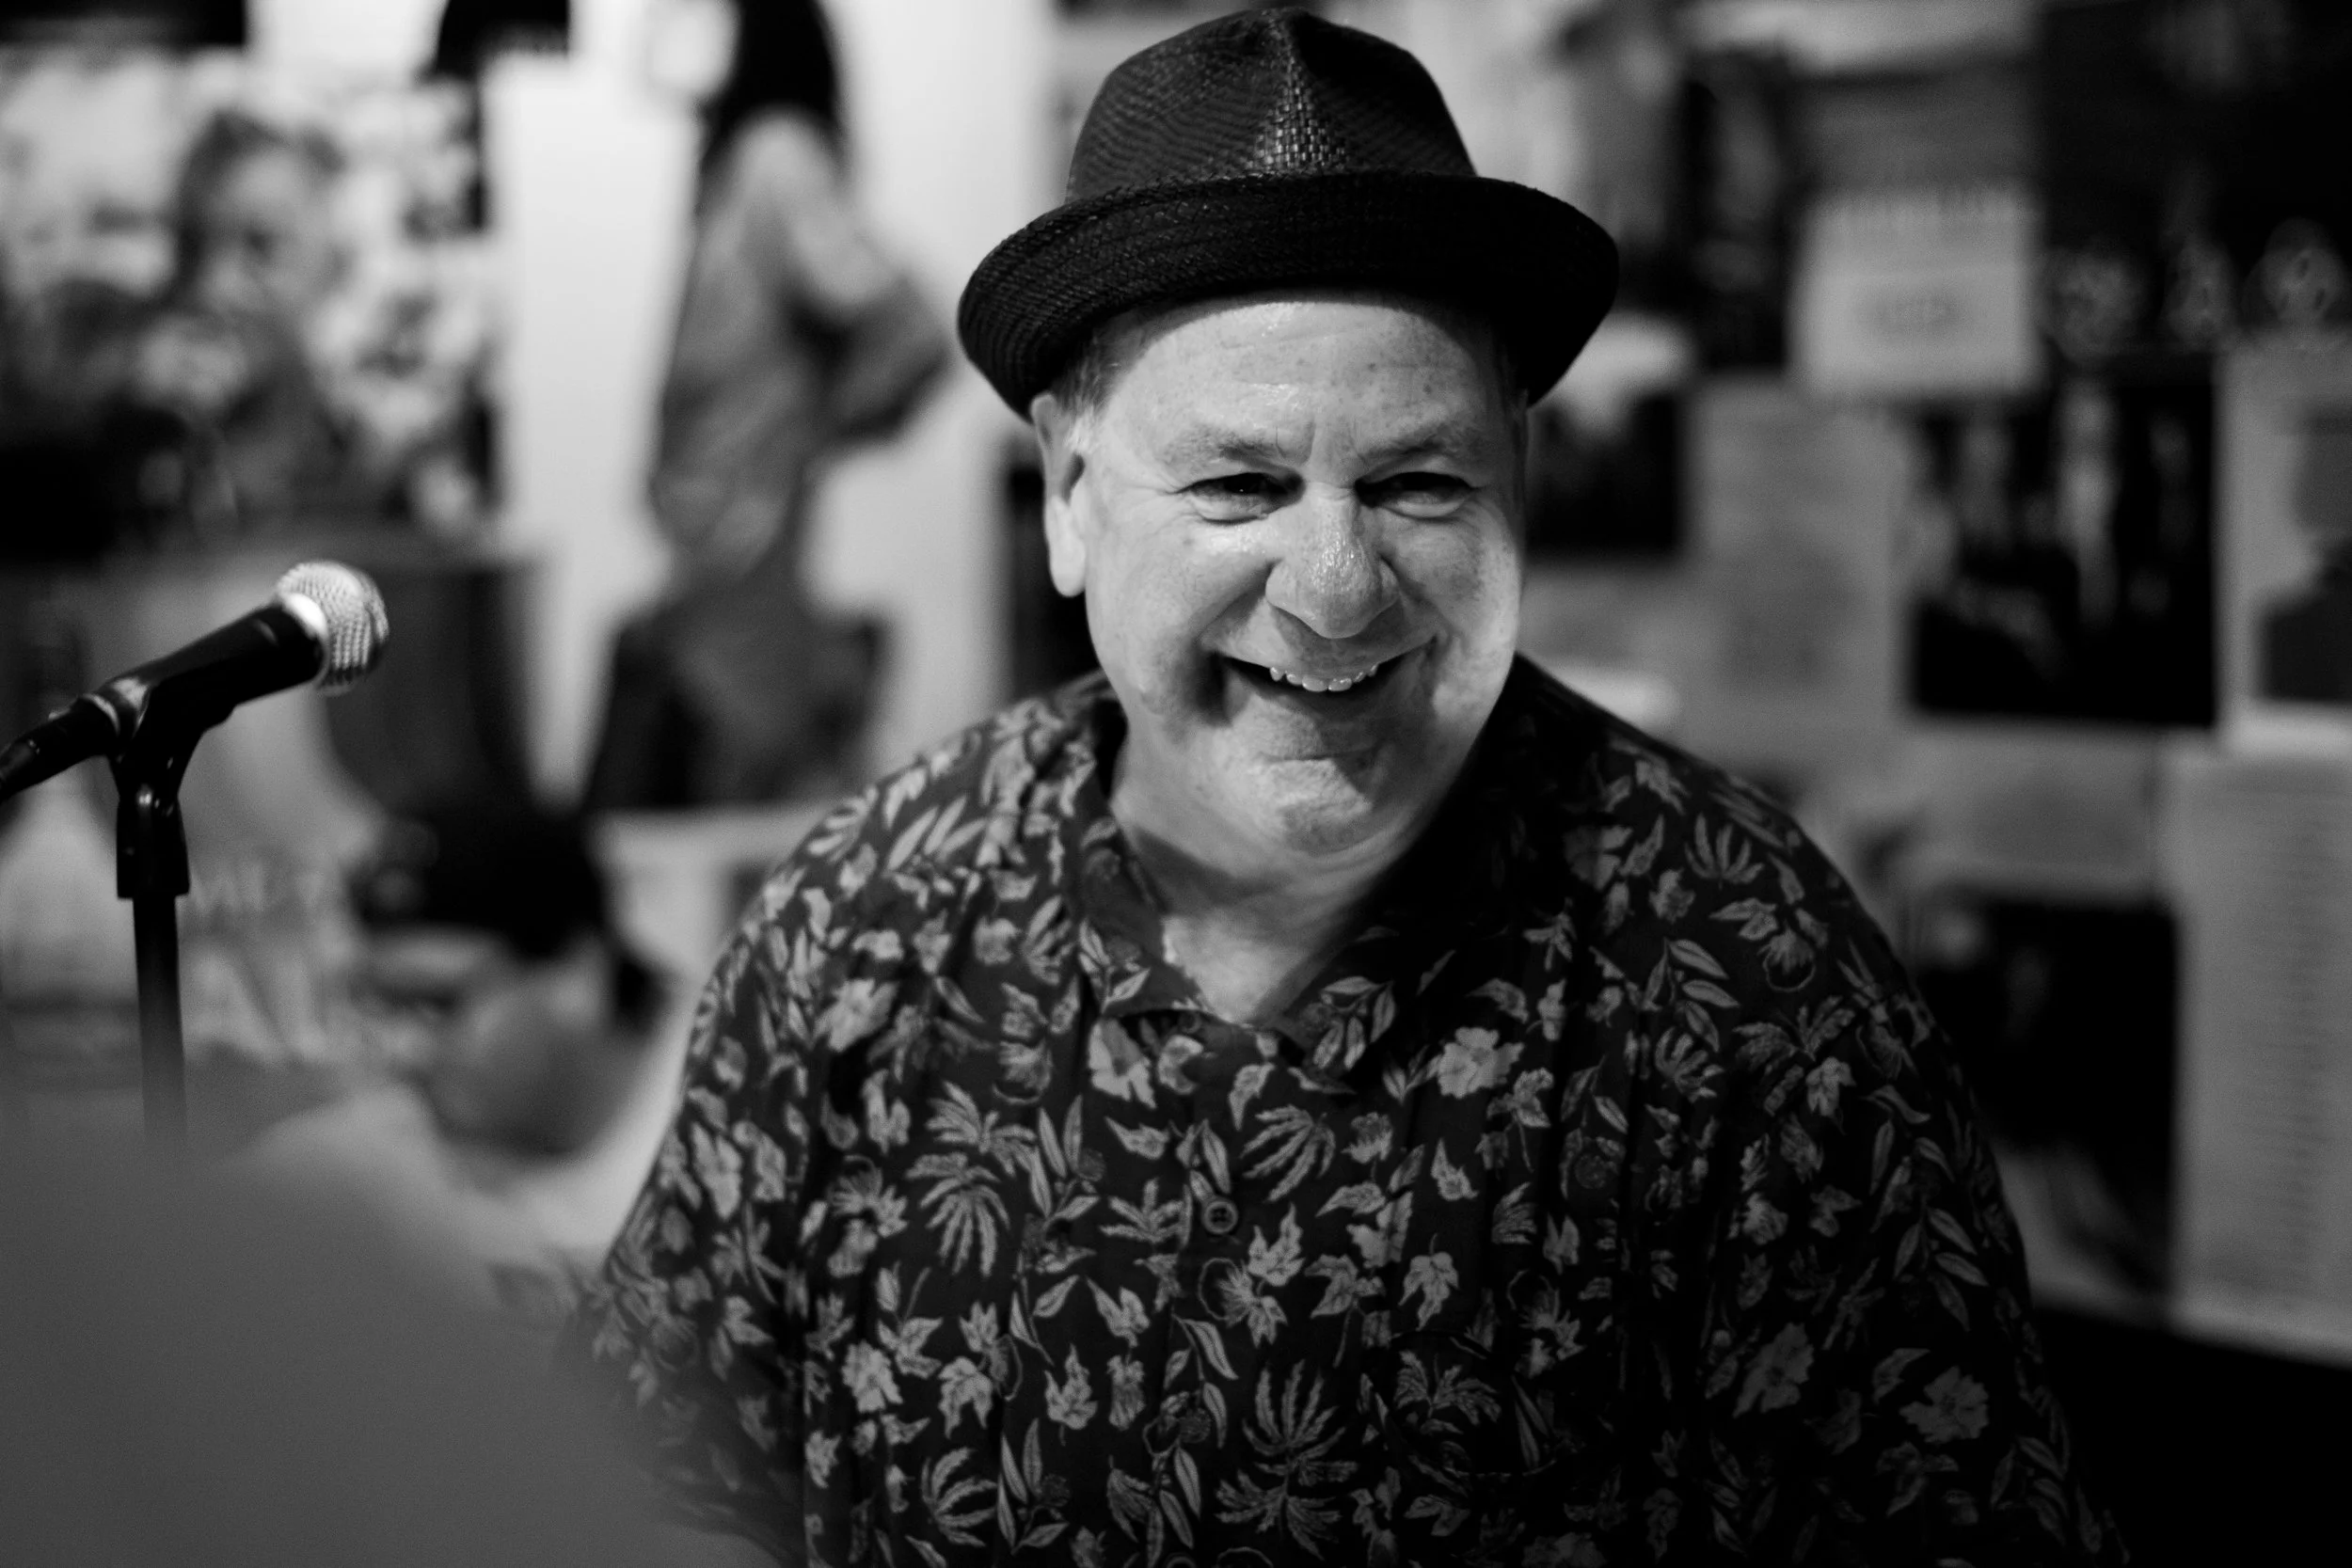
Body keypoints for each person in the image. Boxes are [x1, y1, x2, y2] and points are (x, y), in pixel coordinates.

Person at [565, 11, 2122, 1565]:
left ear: (1517, 477)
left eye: (1418, 483)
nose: (1334, 587)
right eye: (1239, 483)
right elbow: (633, 1483)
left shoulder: (1743, 982)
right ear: (1068, 492)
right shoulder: (874, 919)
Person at [585, 0, 951, 808]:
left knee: (750, 755)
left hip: (746, 518)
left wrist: (819, 429)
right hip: (719, 520)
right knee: (734, 748)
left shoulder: (776, 156)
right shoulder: (749, 160)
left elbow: (907, 325)